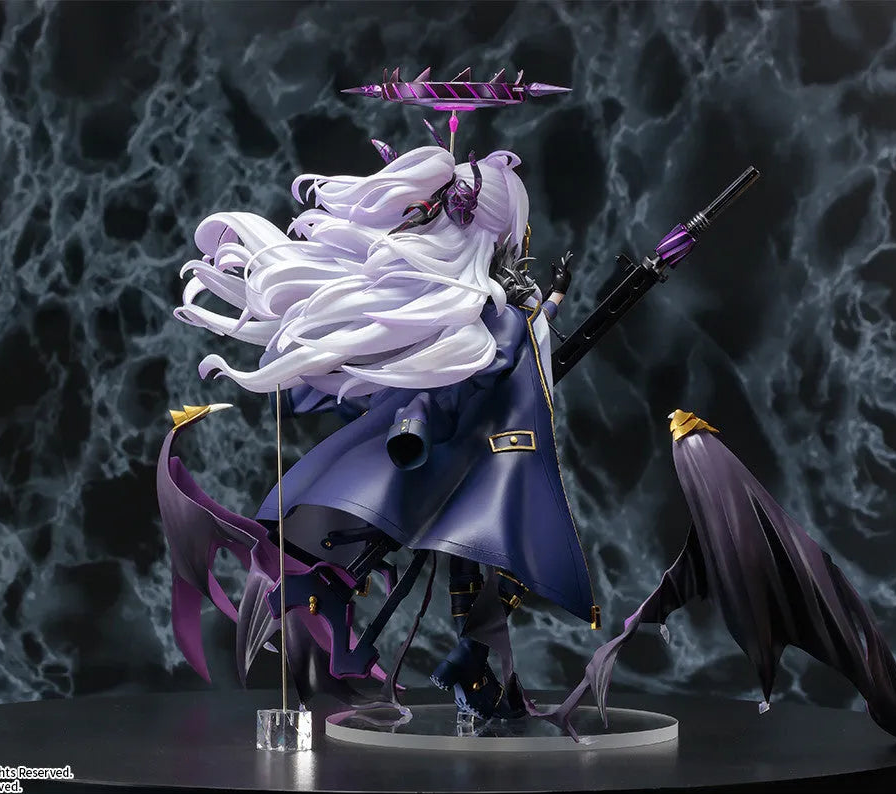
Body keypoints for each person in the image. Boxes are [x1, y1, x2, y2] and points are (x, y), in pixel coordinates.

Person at [175, 144, 590, 718]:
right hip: (457, 455)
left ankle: (472, 672)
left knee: (477, 563)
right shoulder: (483, 313)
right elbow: (483, 368)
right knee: (499, 559)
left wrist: (547, 304)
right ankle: (417, 644)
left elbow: (513, 351)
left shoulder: (480, 306)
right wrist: (531, 320)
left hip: (471, 456)